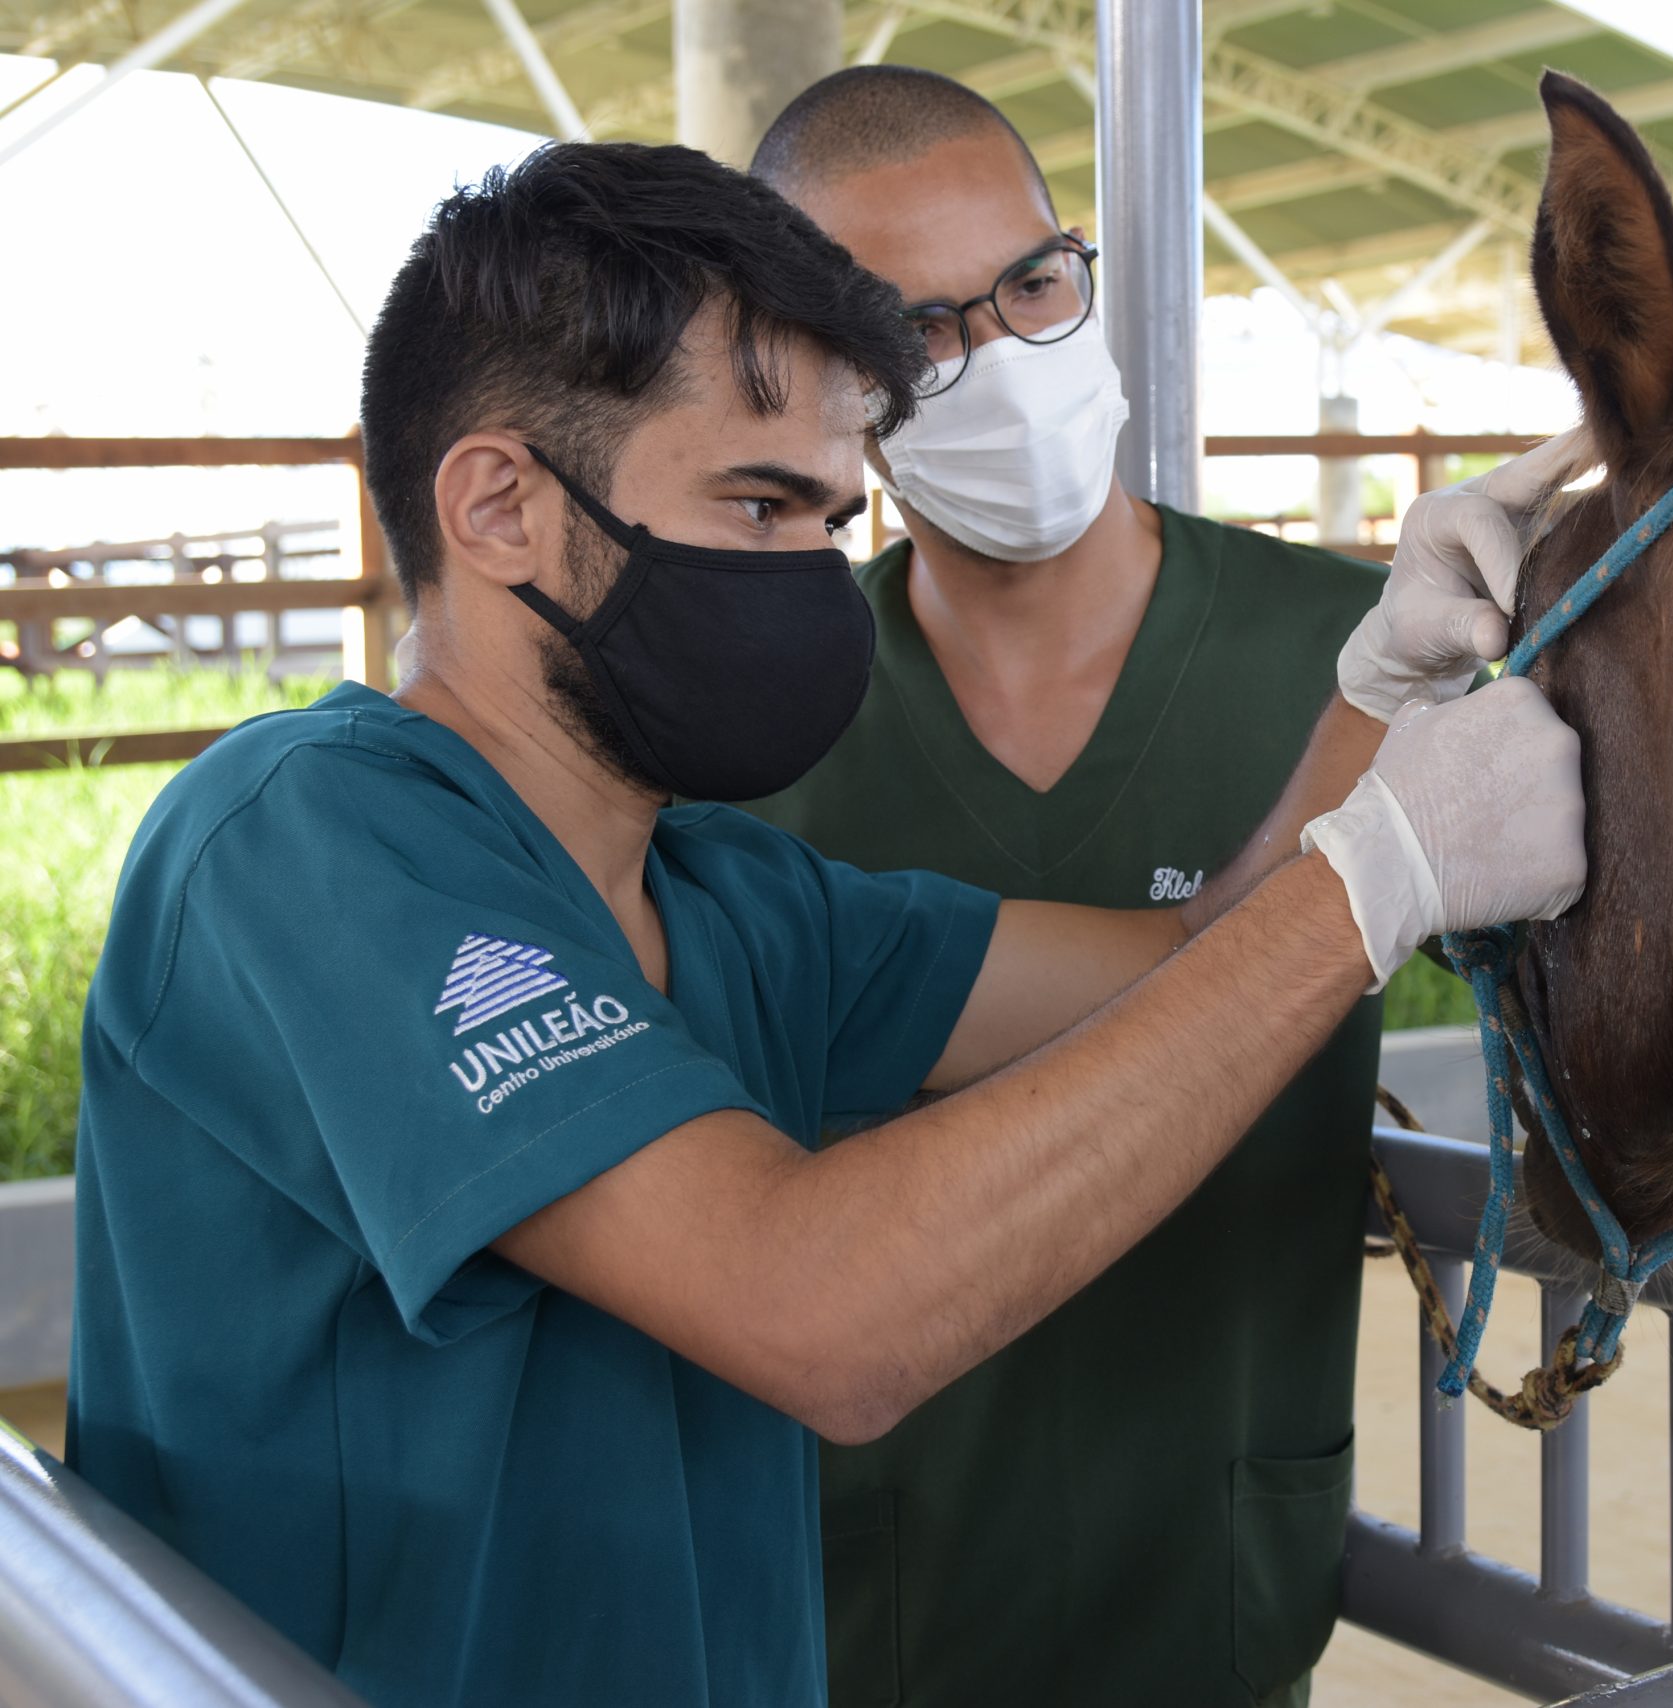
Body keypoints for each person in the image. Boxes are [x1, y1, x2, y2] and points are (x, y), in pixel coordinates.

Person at [64, 142, 1585, 1708]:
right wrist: (1374, 879)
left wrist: (1371, 705)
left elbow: (1191, 969)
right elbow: (825, 1317)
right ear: (501, 505)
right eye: (759, 504)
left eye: (832, 523)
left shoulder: (733, 900)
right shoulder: (303, 838)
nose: (811, 582)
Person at [738, 66, 1577, 1708]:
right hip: (860, 1621)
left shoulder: (1353, 659)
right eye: (916, 333)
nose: (1003, 359)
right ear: (820, 382)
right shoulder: (755, 730)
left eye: (1034, 284)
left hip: (1217, 1597)